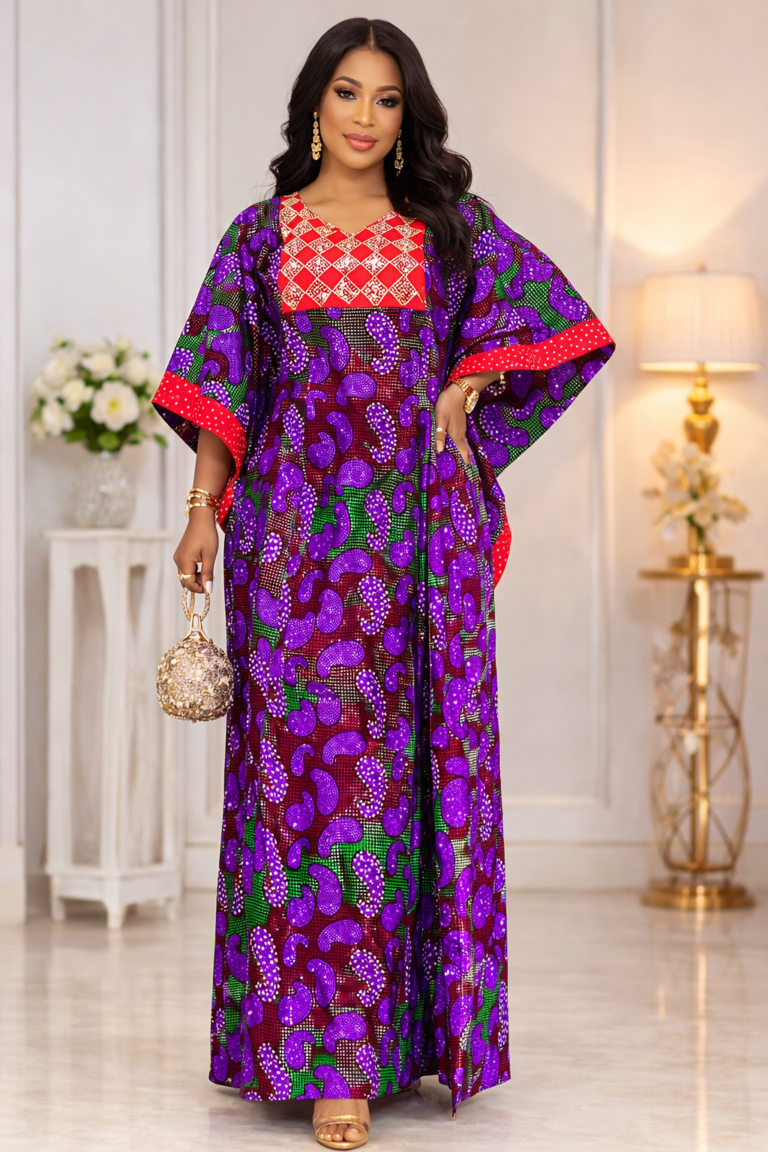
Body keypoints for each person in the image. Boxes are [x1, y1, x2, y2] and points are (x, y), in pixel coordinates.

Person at [154, 17, 614, 1149]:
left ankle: (384, 1051)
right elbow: (223, 383)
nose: (366, 117)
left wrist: (470, 383)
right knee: (300, 796)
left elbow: (560, 326)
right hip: (291, 549)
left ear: (410, 116)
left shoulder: (448, 228)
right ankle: (319, 1057)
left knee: (398, 789)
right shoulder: (260, 237)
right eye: (348, 93)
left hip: (416, 548)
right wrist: (202, 509)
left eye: (388, 99)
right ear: (314, 103)